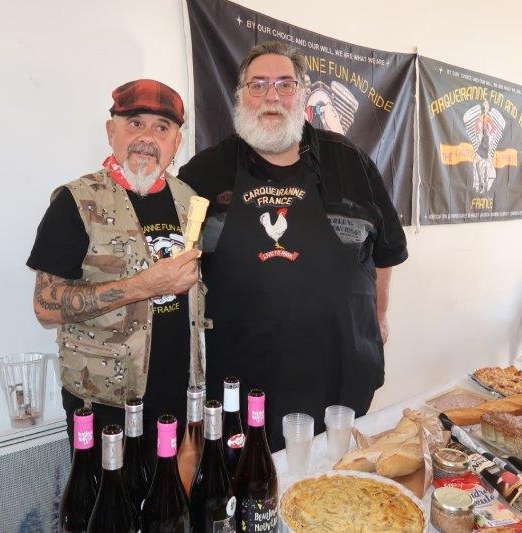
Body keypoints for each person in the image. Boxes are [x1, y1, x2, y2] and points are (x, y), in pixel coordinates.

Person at [177, 41, 408, 451]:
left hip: (341, 370)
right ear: (240, 96)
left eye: (285, 84)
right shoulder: (204, 173)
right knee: (251, 477)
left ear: (303, 95)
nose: (272, 96)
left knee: (335, 475)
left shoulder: (351, 162)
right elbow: (173, 261)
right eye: (258, 84)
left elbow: (386, 249)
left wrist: (380, 314)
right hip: (242, 376)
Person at [27, 79, 205, 463]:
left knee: (171, 496)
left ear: (176, 142)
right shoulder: (75, 201)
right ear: (112, 131)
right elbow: (45, 307)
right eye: (135, 123)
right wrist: (143, 285)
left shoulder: (188, 200)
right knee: (104, 498)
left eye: (162, 127)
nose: (147, 138)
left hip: (177, 393)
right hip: (103, 403)